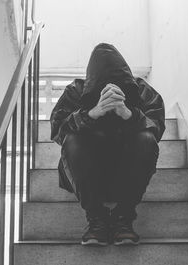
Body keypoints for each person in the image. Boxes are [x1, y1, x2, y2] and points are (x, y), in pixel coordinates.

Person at [50, 43, 165, 246]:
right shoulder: (76, 91)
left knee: (146, 139)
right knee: (72, 139)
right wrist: (93, 112)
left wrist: (128, 114)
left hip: (126, 174)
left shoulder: (142, 90)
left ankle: (124, 218)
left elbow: (156, 127)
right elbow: (58, 130)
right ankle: (96, 218)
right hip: (85, 176)